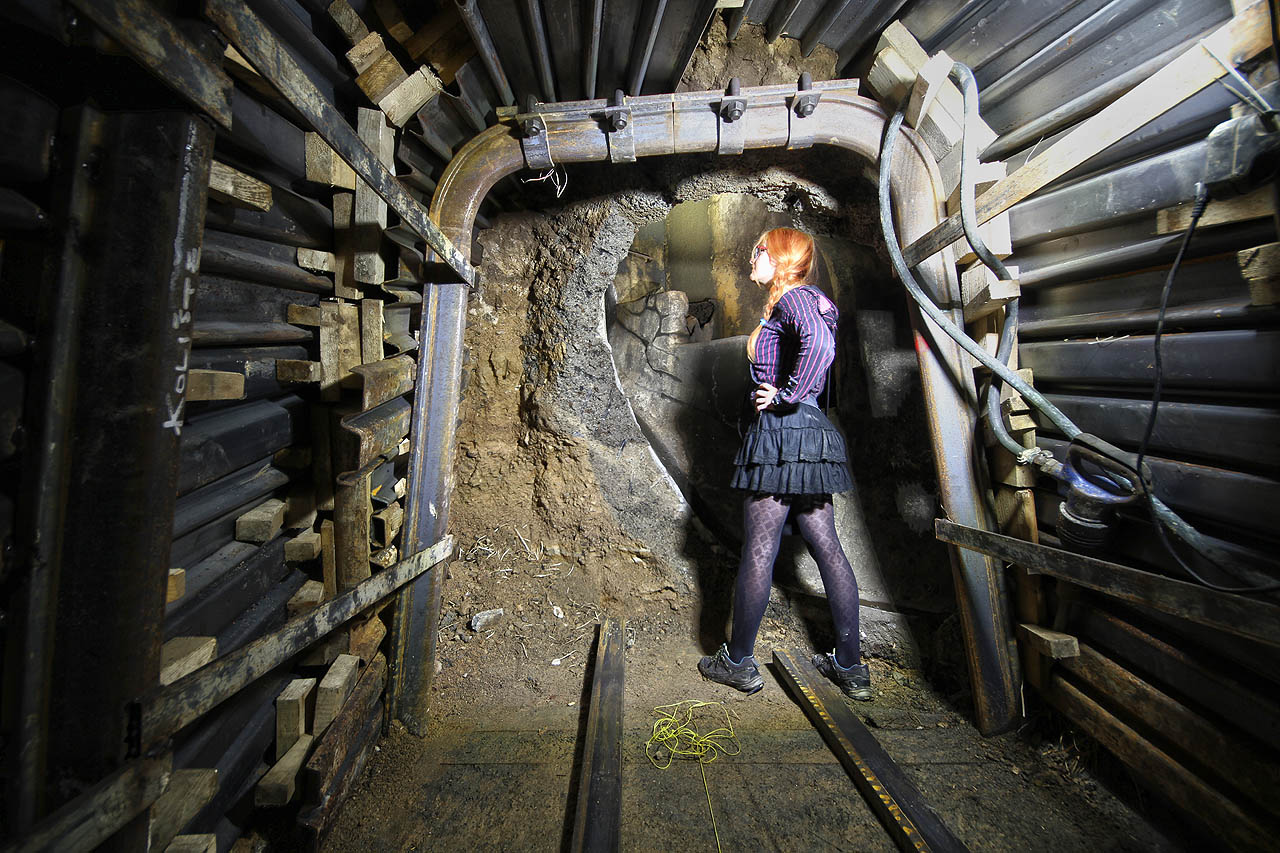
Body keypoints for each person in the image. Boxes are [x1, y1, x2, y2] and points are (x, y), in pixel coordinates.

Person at [697, 227, 871, 700]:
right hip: (807, 434)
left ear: (776, 258)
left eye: (757, 251)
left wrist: (783, 397)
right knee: (826, 546)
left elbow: (820, 347)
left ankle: (737, 662)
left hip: (782, 432)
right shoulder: (796, 303)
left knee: (760, 547)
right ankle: (851, 667)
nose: (750, 258)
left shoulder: (796, 298)